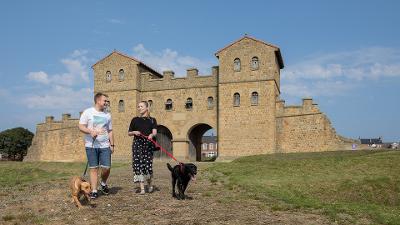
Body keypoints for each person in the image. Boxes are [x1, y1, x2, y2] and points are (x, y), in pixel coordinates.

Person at [79, 92, 114, 199]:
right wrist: (90, 131)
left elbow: (110, 130)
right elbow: (81, 126)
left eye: (107, 101)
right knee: (93, 168)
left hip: (105, 145)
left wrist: (112, 144)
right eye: (105, 101)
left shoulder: (107, 115)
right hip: (91, 145)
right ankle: (94, 190)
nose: (106, 103)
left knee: (107, 168)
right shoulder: (88, 112)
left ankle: (103, 182)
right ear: (98, 101)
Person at [128, 101, 157, 194]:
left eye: (141, 106)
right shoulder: (134, 120)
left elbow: (155, 132)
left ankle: (150, 185)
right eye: (138, 106)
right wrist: (134, 132)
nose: (139, 108)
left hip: (148, 144)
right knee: (138, 164)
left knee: (148, 165)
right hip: (137, 144)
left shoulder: (152, 120)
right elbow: (129, 132)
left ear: (147, 108)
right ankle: (142, 189)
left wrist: (151, 135)